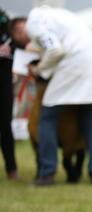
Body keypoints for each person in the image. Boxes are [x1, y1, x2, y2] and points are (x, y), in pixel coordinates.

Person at [10, 7, 92, 186]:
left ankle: (47, 173)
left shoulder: (34, 22)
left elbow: (55, 50)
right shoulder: (57, 16)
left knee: (47, 116)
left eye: (18, 36)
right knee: (89, 119)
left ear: (21, 28)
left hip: (75, 64)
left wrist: (39, 69)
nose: (24, 42)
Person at [0, 8, 18, 180]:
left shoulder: (6, 20)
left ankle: (11, 169)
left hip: (4, 84)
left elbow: (18, 45)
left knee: (6, 126)